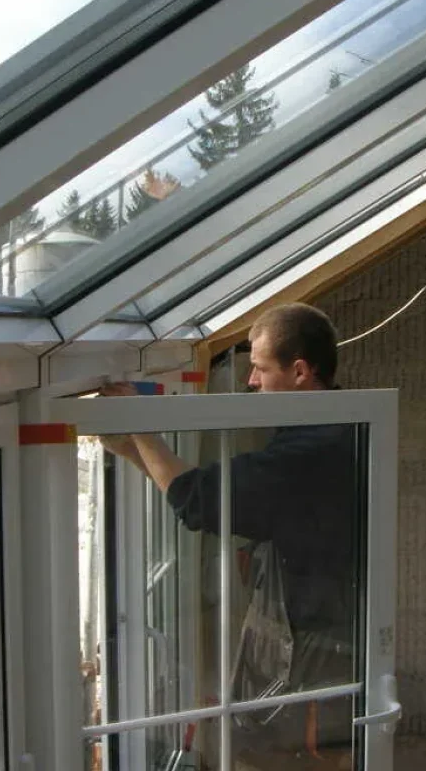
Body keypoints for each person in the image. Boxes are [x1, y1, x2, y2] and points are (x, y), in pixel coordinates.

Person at [100, 303, 360, 767]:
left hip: (311, 654)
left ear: (300, 372)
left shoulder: (314, 449)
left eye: (260, 368)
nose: (251, 382)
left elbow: (200, 500)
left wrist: (138, 428)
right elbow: (206, 499)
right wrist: (133, 450)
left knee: (289, 760)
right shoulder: (331, 428)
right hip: (304, 642)